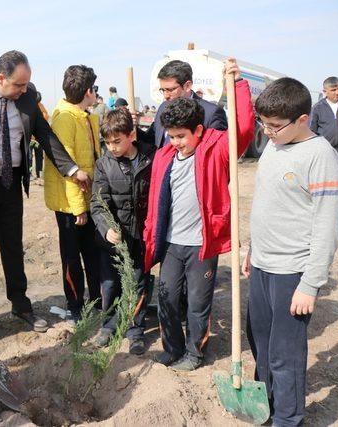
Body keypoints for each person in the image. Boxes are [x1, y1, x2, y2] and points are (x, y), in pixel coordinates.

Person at [0, 50, 91, 339]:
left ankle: (21, 305)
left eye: (26, 85)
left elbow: (46, 136)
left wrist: (73, 170)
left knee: (13, 245)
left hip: (10, 182)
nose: (24, 91)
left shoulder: (27, 97)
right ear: (1, 79)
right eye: (18, 85)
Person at [143, 59, 254, 371]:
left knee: (197, 302)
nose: (176, 143)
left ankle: (195, 352)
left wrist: (238, 84)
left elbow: (244, 129)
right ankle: (171, 348)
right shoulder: (164, 157)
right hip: (171, 243)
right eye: (171, 136)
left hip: (201, 245)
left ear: (199, 130)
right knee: (165, 298)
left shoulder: (215, 149)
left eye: (181, 136)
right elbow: (156, 202)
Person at [243, 77, 338, 426]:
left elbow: (327, 225)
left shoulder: (320, 156)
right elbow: (267, 204)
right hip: (262, 264)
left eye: (274, 126)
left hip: (293, 272)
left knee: (286, 353)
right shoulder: (273, 145)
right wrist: (253, 250)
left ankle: (288, 418)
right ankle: (267, 406)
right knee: (260, 342)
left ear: (302, 119)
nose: (266, 132)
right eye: (263, 124)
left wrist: (310, 283)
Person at [91, 108, 155, 354]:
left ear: (132, 135)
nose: (112, 148)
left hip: (140, 238)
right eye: (107, 143)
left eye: (117, 141)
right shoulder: (103, 164)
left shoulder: (149, 160)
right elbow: (98, 201)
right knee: (110, 285)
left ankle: (135, 331)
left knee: (138, 284)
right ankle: (108, 325)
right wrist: (107, 229)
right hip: (113, 241)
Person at [44, 65, 101, 324]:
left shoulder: (84, 116)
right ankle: (75, 305)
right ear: (88, 91)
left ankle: (97, 301)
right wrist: (78, 207)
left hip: (88, 199)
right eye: (94, 89)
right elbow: (65, 165)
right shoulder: (65, 119)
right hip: (70, 205)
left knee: (92, 252)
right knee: (72, 257)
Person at [139, 60, 227, 148]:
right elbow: (151, 141)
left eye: (170, 90)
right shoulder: (163, 108)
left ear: (187, 86)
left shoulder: (210, 113)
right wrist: (131, 128)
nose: (166, 96)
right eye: (163, 90)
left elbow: (218, 152)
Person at [310, 76, 338, 220]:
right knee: (324, 184)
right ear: (325, 91)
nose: (337, 92)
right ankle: (323, 215)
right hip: (326, 152)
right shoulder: (318, 108)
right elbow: (312, 130)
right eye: (333, 90)